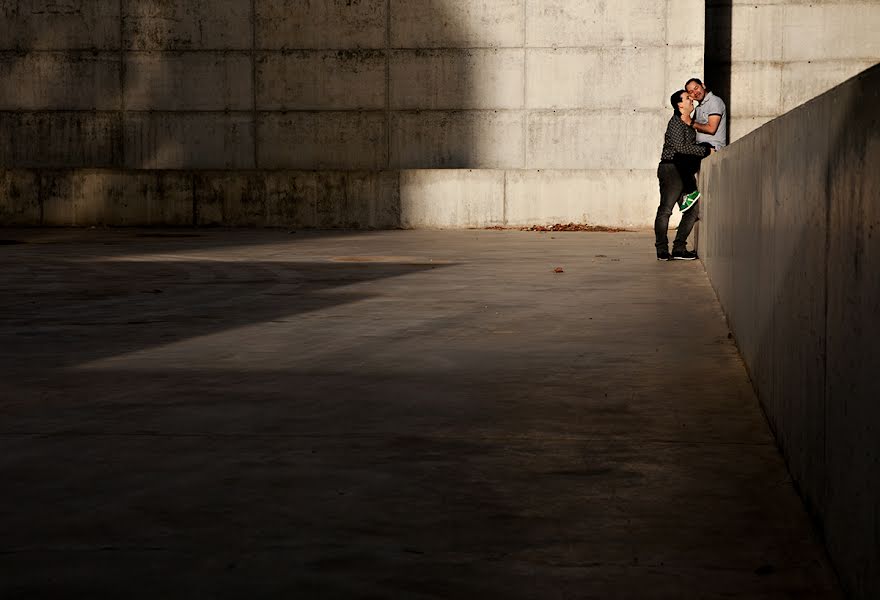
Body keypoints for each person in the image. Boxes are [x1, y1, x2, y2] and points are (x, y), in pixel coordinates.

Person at [655, 90, 713, 261]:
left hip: (683, 171)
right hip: (671, 169)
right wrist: (705, 150)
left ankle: (679, 248)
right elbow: (681, 148)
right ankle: (662, 250)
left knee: (693, 210)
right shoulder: (675, 123)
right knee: (666, 209)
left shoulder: (687, 123)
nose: (691, 99)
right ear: (680, 105)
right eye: (688, 98)